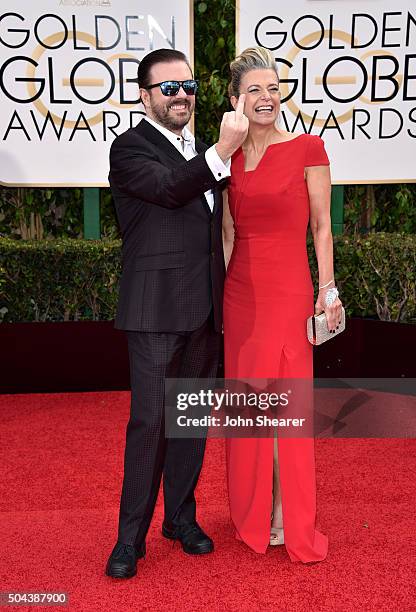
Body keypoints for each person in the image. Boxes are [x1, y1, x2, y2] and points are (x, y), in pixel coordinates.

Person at [105, 48, 248, 579]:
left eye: (187, 85)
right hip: (155, 312)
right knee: (150, 425)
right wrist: (221, 151)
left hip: (205, 311)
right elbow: (169, 191)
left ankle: (180, 519)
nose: (181, 94)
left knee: (189, 423)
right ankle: (128, 540)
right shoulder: (130, 149)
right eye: (168, 88)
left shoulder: (203, 153)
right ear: (145, 97)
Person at [222, 47, 343, 563]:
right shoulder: (226, 156)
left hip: (289, 290)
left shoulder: (308, 148)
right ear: (235, 100)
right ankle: (255, 511)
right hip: (240, 295)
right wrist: (219, 302)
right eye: (254, 89)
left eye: (273, 88)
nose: (266, 97)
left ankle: (284, 514)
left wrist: (328, 289)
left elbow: (321, 227)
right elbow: (228, 230)